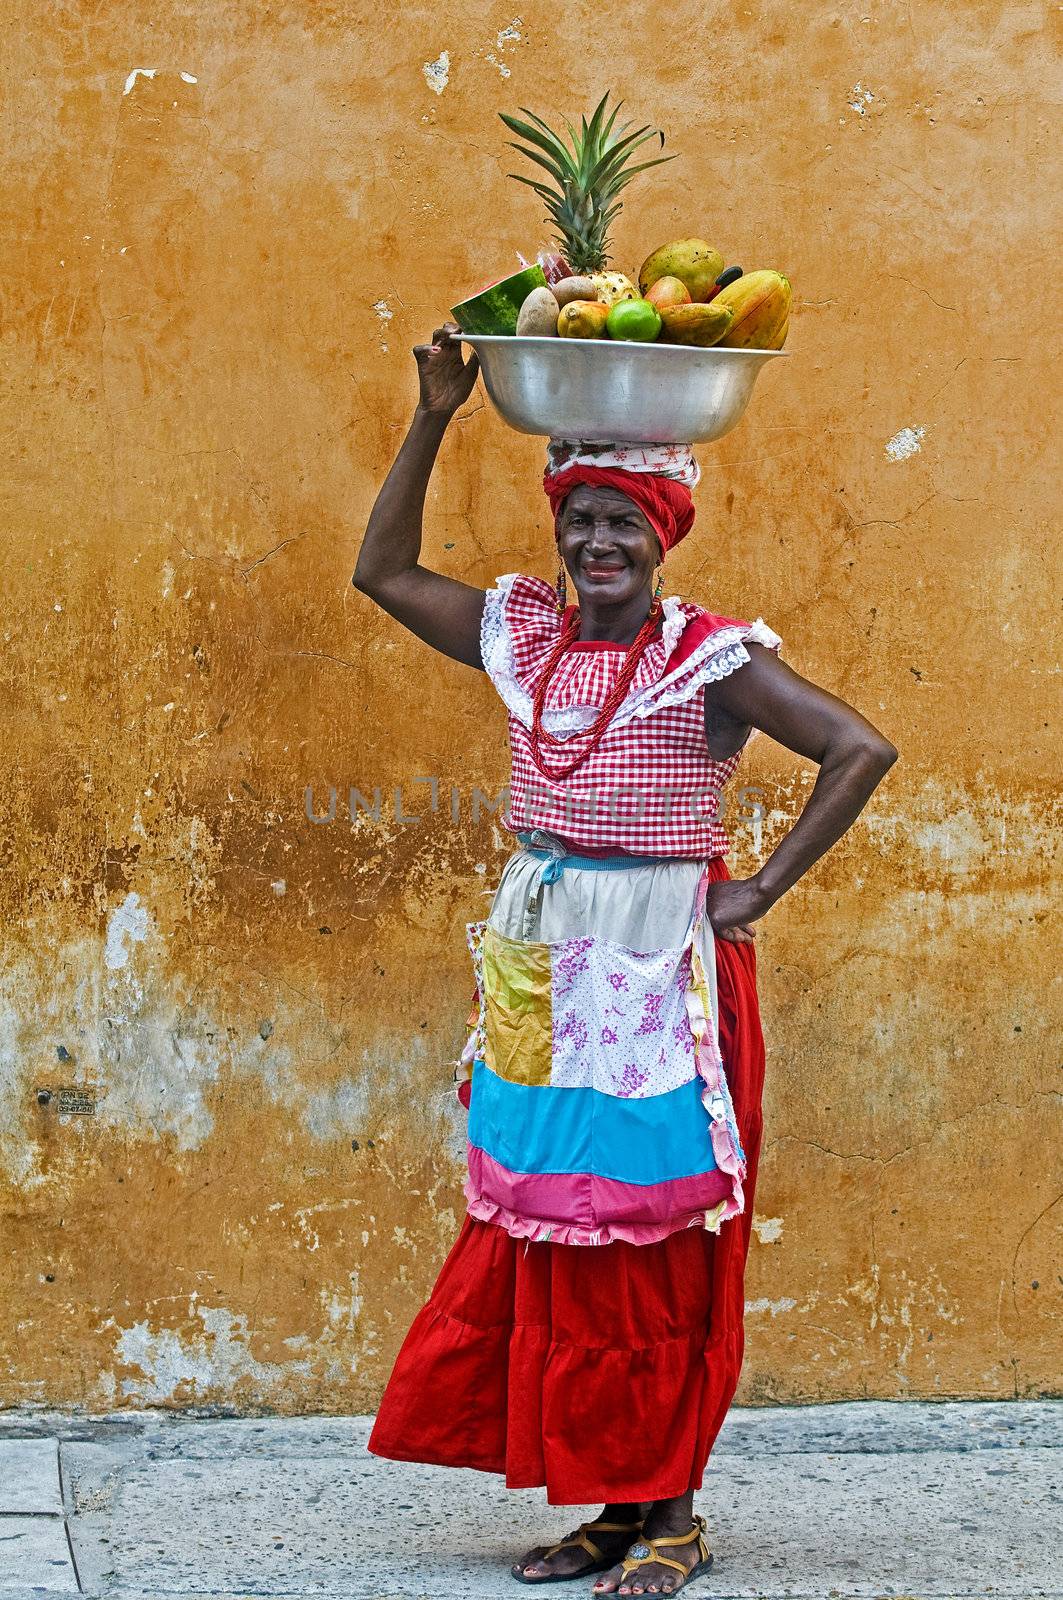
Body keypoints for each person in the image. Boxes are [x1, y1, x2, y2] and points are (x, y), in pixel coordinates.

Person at [353, 325, 898, 1596]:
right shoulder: (523, 634)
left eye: (625, 526)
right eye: (582, 521)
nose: (600, 545)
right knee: (557, 1225)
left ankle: (673, 1515)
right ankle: (612, 1505)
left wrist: (754, 886)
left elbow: (858, 746)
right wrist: (435, 412)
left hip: (663, 970)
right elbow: (381, 571)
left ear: (666, 536)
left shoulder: (707, 660)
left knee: (655, 1241)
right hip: (549, 952)